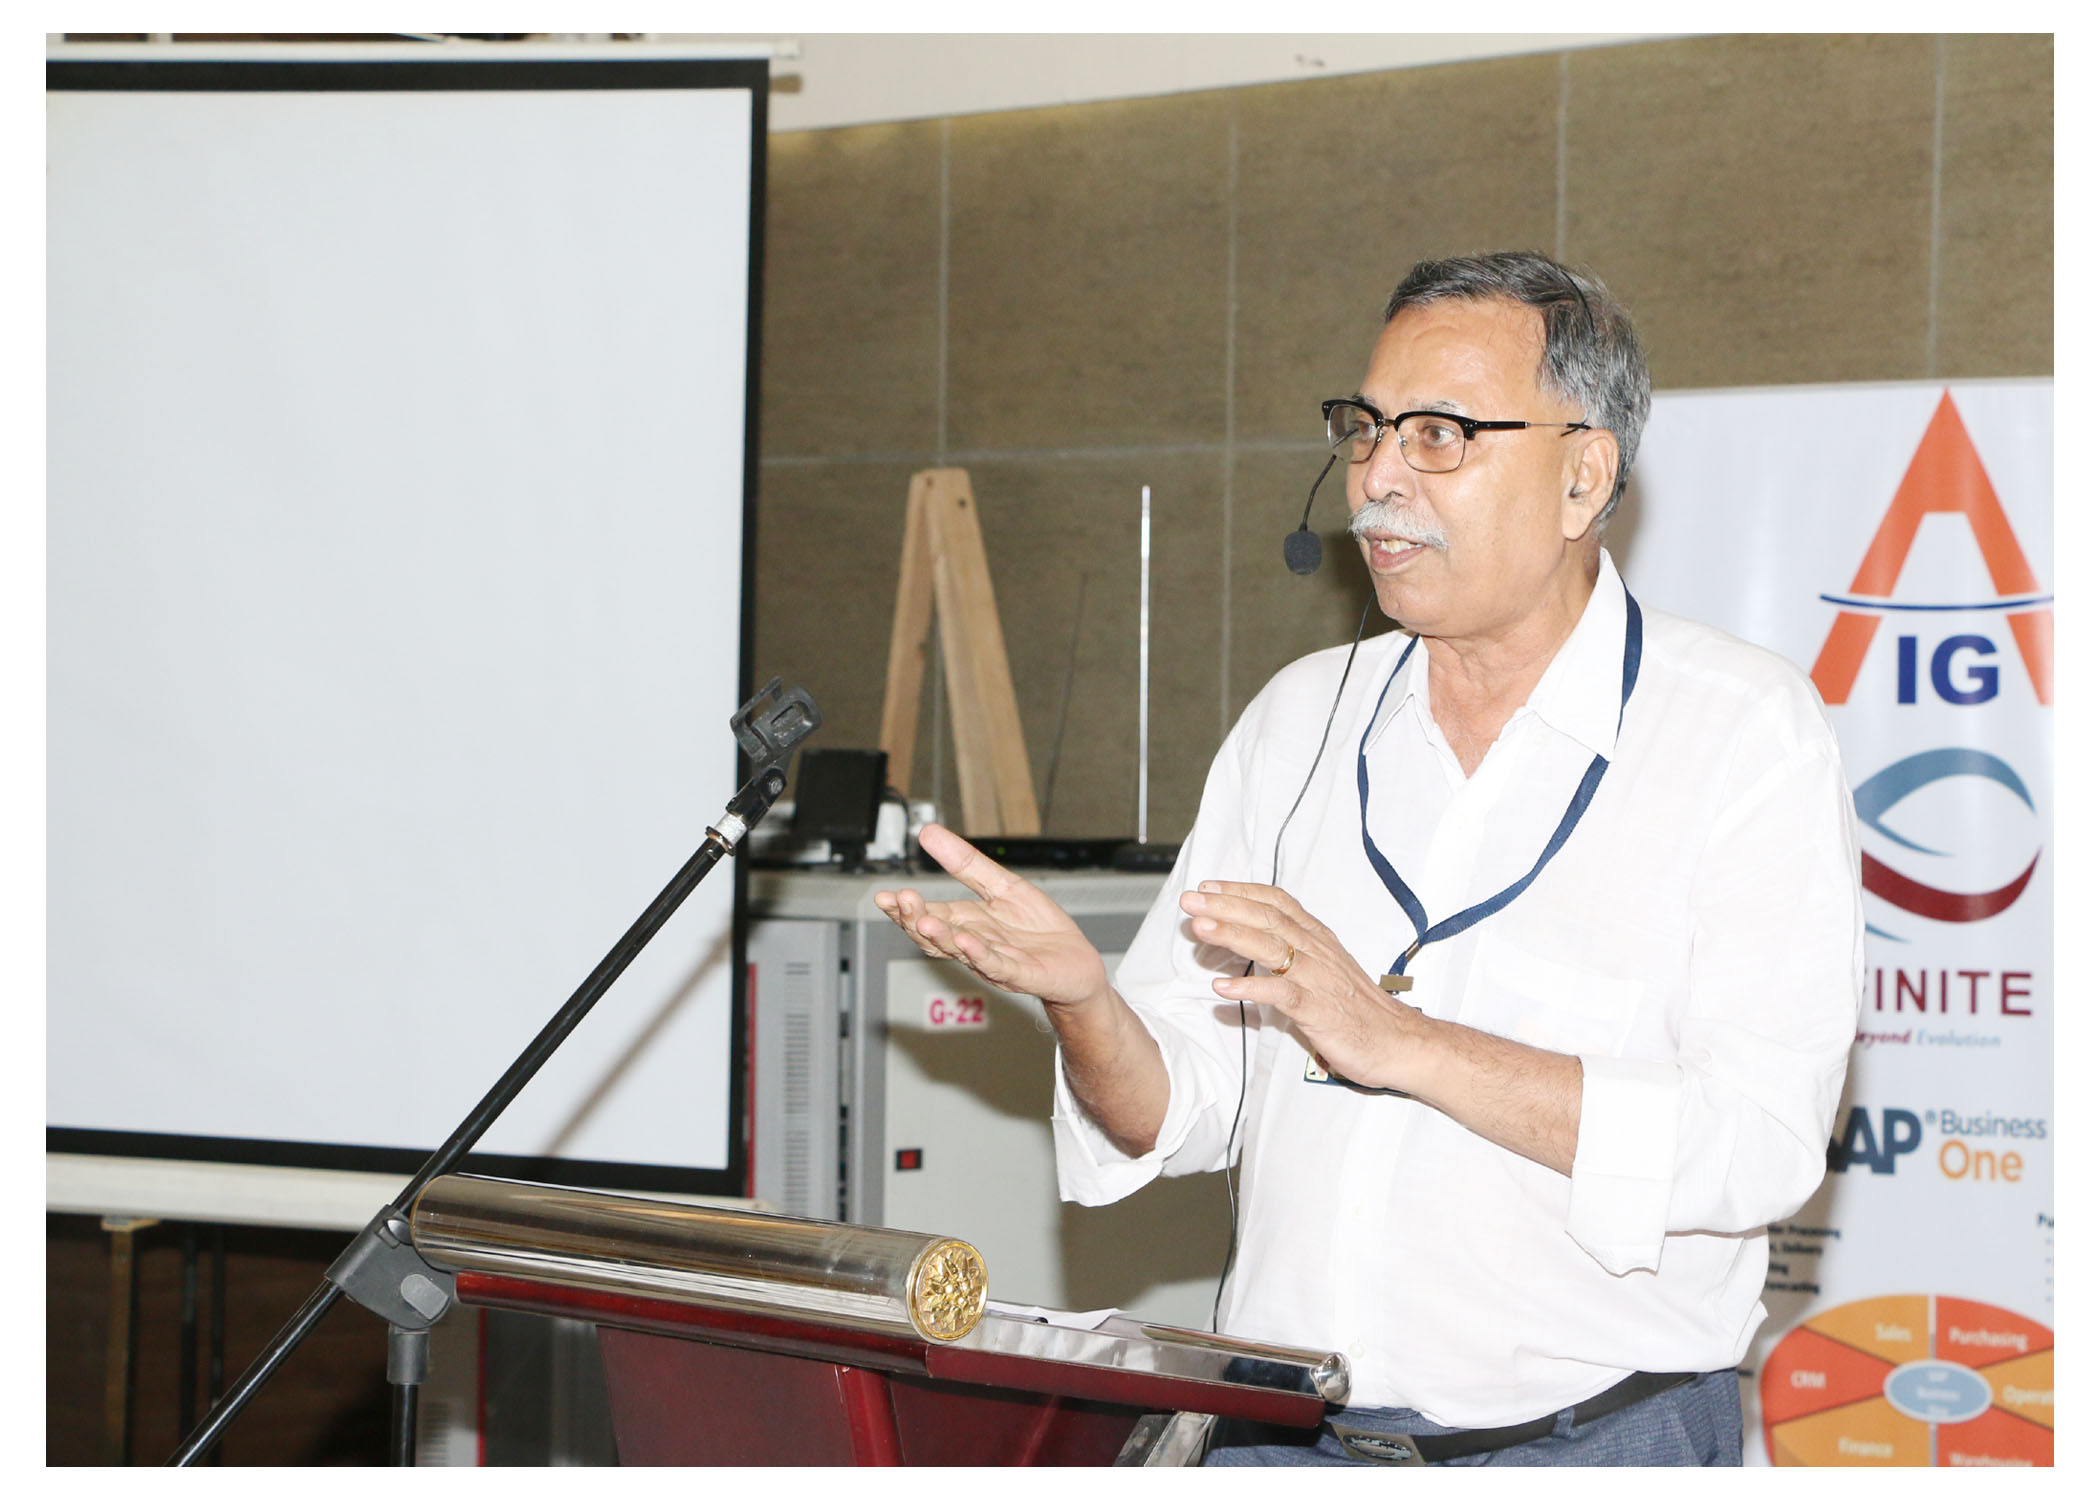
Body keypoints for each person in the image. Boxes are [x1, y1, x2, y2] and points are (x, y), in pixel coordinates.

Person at [873, 250, 1862, 1466]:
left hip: (1586, 1448)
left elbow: (1757, 1144)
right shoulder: (1300, 717)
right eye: (1366, 428)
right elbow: (1181, 1105)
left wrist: (1399, 1042)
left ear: (1583, 476)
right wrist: (1084, 1003)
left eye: (1439, 435)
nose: (1378, 477)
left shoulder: (1739, 730)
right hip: (1278, 1440)